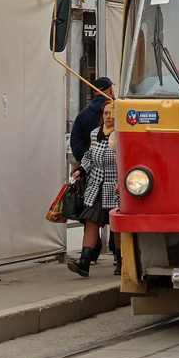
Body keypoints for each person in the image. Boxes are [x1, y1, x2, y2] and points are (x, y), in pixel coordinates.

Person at [68, 102, 120, 277]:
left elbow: (129, 159)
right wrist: (80, 170)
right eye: (106, 113)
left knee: (117, 226)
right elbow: (89, 157)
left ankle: (121, 262)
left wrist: (123, 182)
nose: (108, 117)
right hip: (96, 186)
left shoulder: (123, 135)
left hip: (115, 188)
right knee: (91, 223)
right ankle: (84, 261)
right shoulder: (95, 134)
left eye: (112, 113)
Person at [71, 77, 114, 163]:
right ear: (112, 90)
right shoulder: (119, 110)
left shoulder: (82, 115)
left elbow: (75, 142)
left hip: (88, 169)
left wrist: (89, 160)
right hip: (114, 168)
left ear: (94, 93)